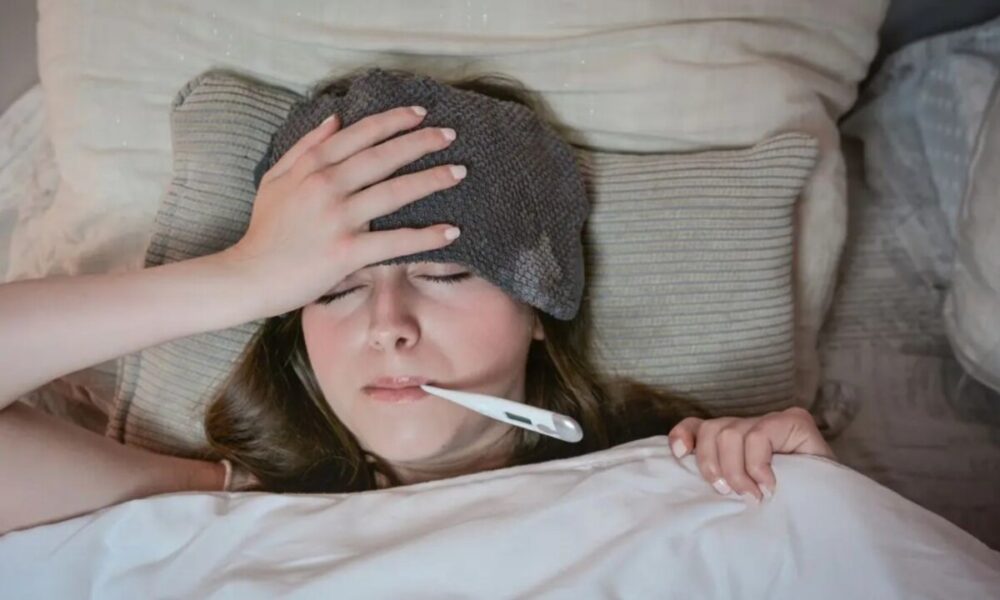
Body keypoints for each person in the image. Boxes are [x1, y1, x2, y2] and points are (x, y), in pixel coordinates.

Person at [0, 68, 835, 534]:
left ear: (541, 314)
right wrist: (245, 276)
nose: (388, 328)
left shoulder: (676, 484)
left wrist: (816, 501)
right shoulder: (220, 505)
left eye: (444, 274)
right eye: (336, 290)